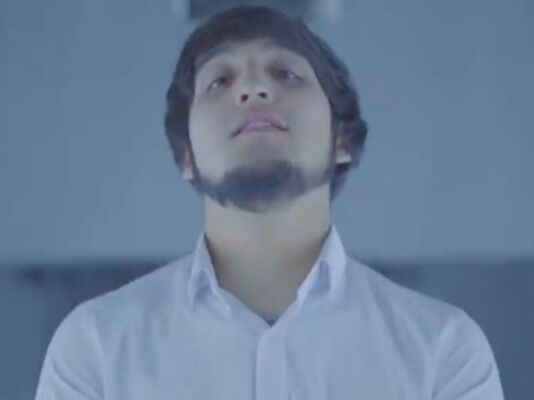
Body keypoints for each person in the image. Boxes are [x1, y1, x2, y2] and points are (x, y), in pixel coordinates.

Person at [35, 5, 504, 399]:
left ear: (341, 138)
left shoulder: (444, 351)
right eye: (220, 80)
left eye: (287, 74)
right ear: (186, 158)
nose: (254, 89)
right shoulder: (93, 348)